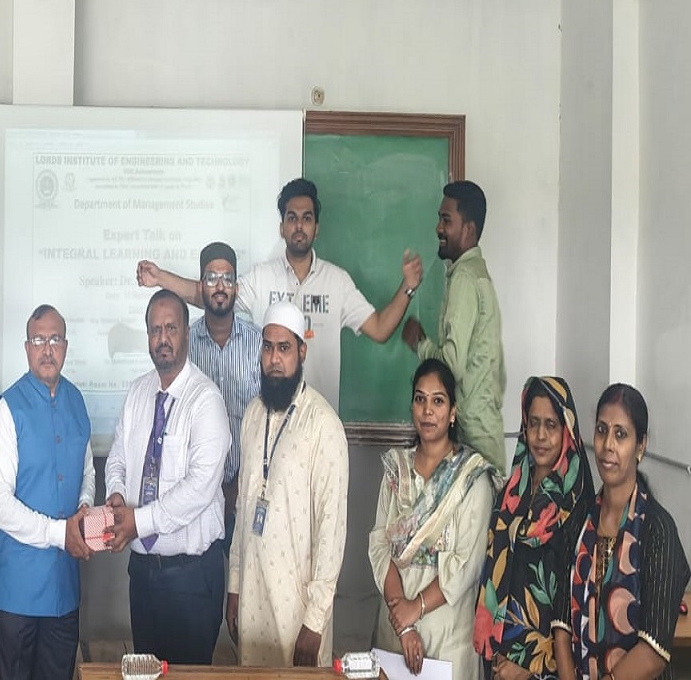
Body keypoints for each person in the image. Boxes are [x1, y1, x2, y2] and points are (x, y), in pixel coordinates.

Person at [137, 177, 422, 408]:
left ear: (316, 228)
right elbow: (211, 295)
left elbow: (380, 329)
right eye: (292, 218)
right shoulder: (261, 277)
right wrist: (160, 277)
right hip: (271, 421)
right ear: (281, 227)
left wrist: (407, 286)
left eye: (307, 218)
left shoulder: (337, 282)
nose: (299, 226)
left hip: (319, 420)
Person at [105, 289, 230, 665]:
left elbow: (199, 489)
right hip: (143, 574)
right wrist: (115, 495)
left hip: (190, 578)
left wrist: (138, 522)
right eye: (155, 330)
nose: (163, 338)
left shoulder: (205, 400)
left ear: (187, 333)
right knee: (146, 672)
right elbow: (118, 457)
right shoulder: (138, 392)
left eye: (171, 328)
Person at [227, 300, 347, 668]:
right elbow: (242, 511)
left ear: (302, 352)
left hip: (298, 611)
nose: (274, 359)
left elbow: (332, 529)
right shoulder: (252, 414)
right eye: (267, 348)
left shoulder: (323, 425)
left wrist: (315, 621)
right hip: (251, 598)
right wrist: (234, 586)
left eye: (284, 348)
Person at [368, 358, 496, 680]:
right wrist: (404, 621)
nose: (427, 410)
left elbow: (467, 565)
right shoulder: (396, 471)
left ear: (452, 412)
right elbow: (380, 546)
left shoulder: (471, 479)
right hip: (394, 633)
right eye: (420, 399)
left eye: (438, 401)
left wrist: (417, 608)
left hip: (448, 640)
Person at [552, 385, 690, 680]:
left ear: (641, 446)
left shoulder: (657, 530)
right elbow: (561, 627)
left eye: (621, 434)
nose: (608, 445)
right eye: (602, 430)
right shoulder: (579, 522)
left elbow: (653, 651)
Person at [0, 305, 94, 680]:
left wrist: (85, 506)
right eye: (38, 340)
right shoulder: (9, 407)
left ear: (65, 345)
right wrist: (59, 533)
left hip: (65, 589)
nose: (47, 349)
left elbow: (87, 471)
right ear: (26, 348)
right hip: (19, 592)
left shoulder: (76, 400)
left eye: (54, 340)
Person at [474, 376, 593, 680]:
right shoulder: (511, 491)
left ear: (566, 431)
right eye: (533, 423)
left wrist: (530, 666)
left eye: (551, 425)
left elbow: (581, 602)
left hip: (548, 665)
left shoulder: (577, 505)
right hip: (499, 655)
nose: (540, 435)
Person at [403, 181, 506, 471]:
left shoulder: (464, 279)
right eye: (439, 218)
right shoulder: (477, 274)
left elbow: (451, 366)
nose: (438, 228)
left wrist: (420, 343)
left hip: (474, 438)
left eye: (446, 220)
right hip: (484, 429)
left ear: (468, 229)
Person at [186, 241, 261, 550]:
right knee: (205, 576)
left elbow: (267, 421)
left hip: (248, 490)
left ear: (236, 288)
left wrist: (238, 484)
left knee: (248, 577)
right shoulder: (185, 344)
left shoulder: (259, 344)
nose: (220, 286)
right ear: (200, 286)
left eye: (227, 279)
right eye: (212, 278)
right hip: (196, 495)